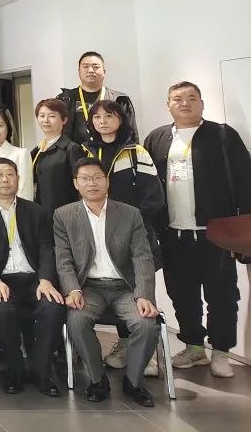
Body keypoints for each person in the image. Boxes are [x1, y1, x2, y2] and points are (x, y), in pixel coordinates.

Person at [143, 81, 251, 379]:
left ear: (202, 104)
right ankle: (194, 347)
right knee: (182, 294)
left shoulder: (223, 135)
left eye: (192, 98)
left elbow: (245, 181)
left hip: (216, 234)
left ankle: (221, 352)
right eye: (177, 98)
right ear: (168, 105)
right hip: (173, 234)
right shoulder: (157, 139)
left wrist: (243, 229)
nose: (185, 103)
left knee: (222, 295)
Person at [54, 158, 159, 407]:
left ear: (107, 181)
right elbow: (63, 259)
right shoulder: (64, 215)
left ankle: (134, 382)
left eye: (97, 178)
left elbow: (142, 257)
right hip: (88, 287)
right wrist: (72, 289)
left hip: (125, 288)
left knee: (146, 324)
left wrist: (144, 295)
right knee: (77, 320)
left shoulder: (130, 214)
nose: (92, 183)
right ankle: (97, 379)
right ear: (76, 183)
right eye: (85, 178)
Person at [0, 158, 66, 396]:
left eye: (10, 174)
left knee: (53, 307)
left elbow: (46, 247)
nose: (5, 180)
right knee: (1, 310)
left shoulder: (36, 211)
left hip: (33, 279)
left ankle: (42, 371)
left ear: (18, 179)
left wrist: (45, 279)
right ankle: (15, 369)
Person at [82, 98, 165, 375]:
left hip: (134, 234)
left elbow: (153, 197)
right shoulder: (86, 152)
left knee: (139, 290)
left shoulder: (136, 152)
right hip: (97, 235)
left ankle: (146, 354)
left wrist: (130, 225)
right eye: (97, 117)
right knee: (114, 288)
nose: (103, 121)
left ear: (121, 119)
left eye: (109, 115)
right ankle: (125, 343)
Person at [57, 51, 138, 145]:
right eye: (86, 66)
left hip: (112, 152)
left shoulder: (119, 100)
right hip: (74, 153)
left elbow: (131, 135)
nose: (91, 70)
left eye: (96, 67)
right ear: (79, 71)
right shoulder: (65, 100)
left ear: (104, 72)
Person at [30, 99, 86, 214]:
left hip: (66, 213)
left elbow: (82, 185)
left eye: (51, 116)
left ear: (64, 120)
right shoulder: (37, 151)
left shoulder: (71, 149)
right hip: (41, 213)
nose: (45, 120)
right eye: (42, 116)